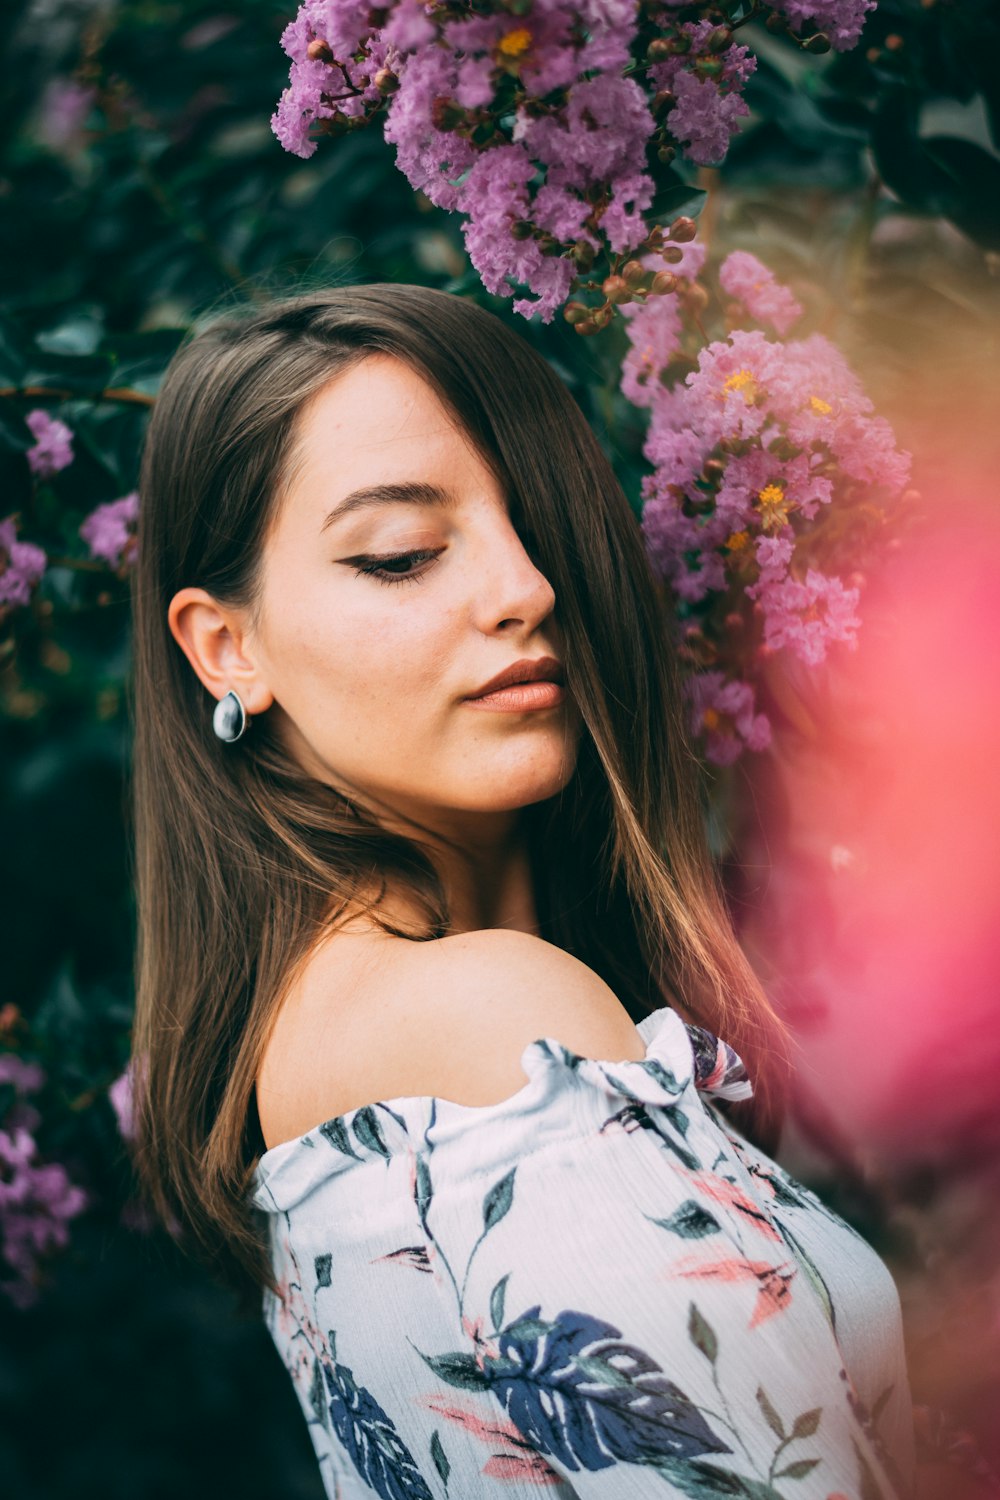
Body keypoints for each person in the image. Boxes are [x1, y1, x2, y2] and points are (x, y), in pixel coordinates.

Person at [126, 283, 915, 1499]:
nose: (526, 588)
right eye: (402, 555)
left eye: (539, 528)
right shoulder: (488, 1026)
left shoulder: (330, 1053)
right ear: (228, 647)